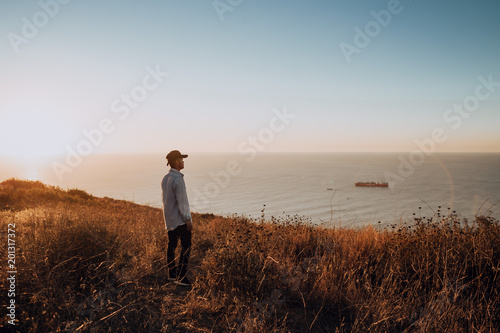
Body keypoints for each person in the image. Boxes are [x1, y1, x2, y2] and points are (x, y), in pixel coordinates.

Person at [161, 150, 193, 287]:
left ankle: (172, 274)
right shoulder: (178, 179)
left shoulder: (165, 178)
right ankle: (181, 276)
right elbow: (182, 201)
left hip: (169, 219)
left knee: (172, 245)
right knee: (186, 246)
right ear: (176, 162)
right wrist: (188, 219)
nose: (183, 161)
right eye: (181, 159)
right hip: (180, 219)